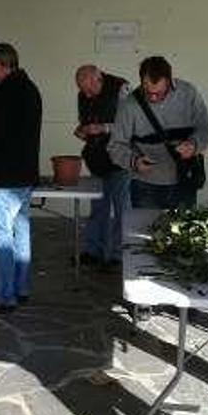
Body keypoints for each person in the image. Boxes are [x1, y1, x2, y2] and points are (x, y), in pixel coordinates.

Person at [0, 43, 42, 314]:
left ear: (3, 65)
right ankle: (20, 288)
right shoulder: (29, 88)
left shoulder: (8, 92)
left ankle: (4, 295)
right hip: (25, 174)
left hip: (6, 176)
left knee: (1, 237)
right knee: (21, 232)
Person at [108, 56, 208, 209]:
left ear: (170, 83)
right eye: (148, 92)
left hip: (184, 180)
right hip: (145, 185)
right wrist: (134, 162)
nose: (153, 98)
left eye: (159, 93)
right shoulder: (129, 105)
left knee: (181, 231)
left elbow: (206, 128)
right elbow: (115, 146)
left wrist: (194, 145)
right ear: (142, 82)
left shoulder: (188, 93)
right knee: (145, 230)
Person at [74, 64, 132, 268]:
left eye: (89, 90)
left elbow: (130, 125)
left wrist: (102, 128)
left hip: (120, 160)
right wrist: (82, 129)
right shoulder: (84, 94)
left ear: (97, 79)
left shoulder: (121, 89)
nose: (86, 95)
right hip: (97, 159)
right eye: (82, 91)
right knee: (98, 207)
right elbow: (85, 121)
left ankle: (119, 257)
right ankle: (93, 252)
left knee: (122, 210)